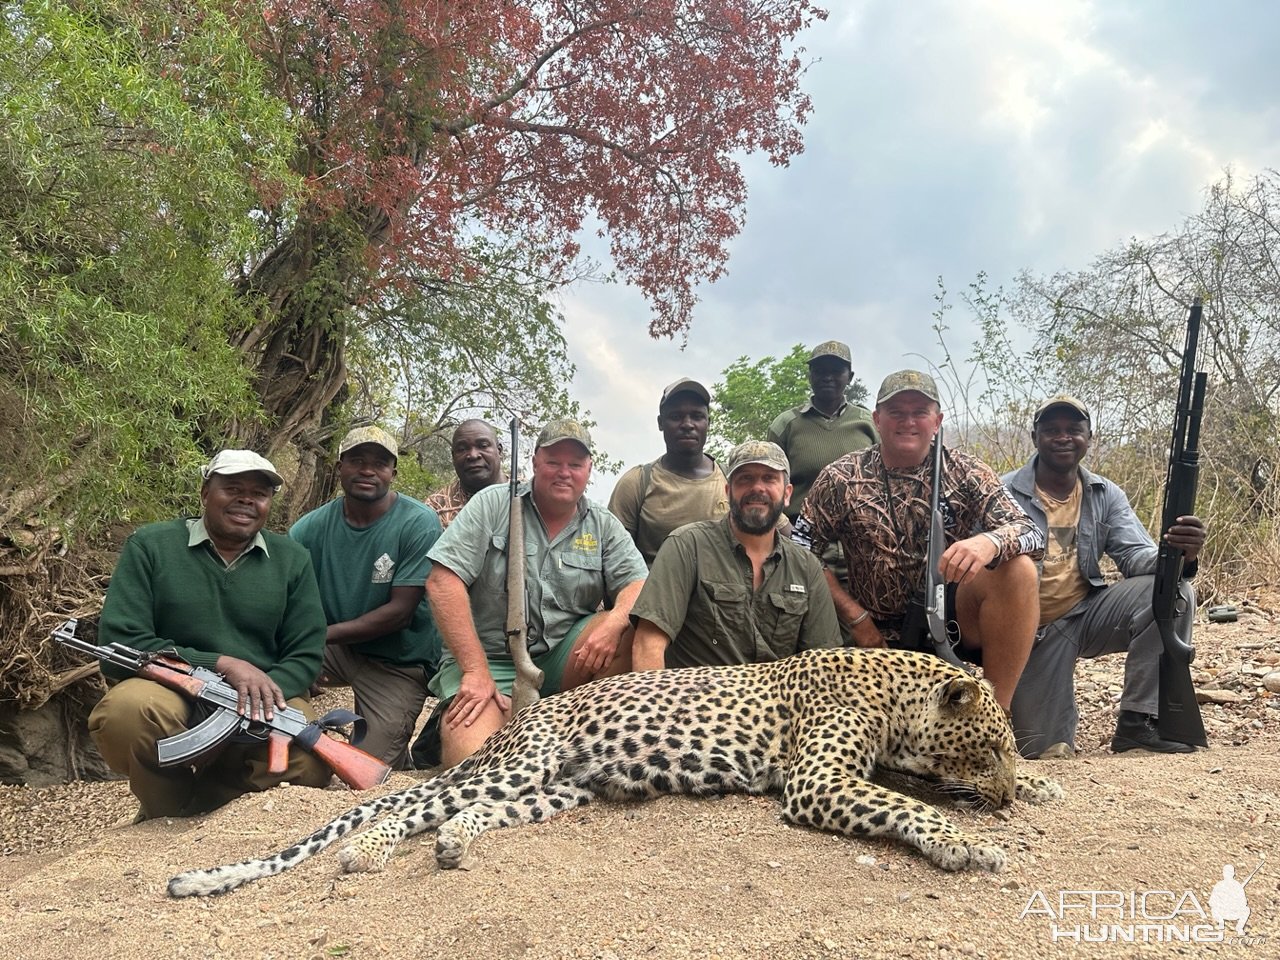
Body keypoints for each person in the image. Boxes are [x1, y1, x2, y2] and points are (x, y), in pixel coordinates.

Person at [88, 450, 332, 821]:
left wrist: (260, 692)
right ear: (205, 492)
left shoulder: (292, 558)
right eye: (232, 487)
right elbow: (120, 643)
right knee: (126, 713)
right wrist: (220, 664)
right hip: (171, 689)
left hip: (262, 696)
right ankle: (164, 808)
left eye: (259, 493)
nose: (247, 500)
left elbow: (305, 653)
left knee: (310, 761)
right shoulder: (151, 546)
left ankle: (212, 803)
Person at [793, 370, 1043, 712]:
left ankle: (996, 716)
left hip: (952, 621)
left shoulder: (966, 471)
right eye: (896, 412)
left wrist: (989, 543)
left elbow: (1032, 532)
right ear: (877, 419)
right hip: (870, 637)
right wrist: (856, 618)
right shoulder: (840, 477)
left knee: (1020, 570)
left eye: (919, 412)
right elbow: (799, 547)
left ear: (937, 421)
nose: (908, 421)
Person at [423, 419, 648, 766]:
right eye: (553, 462)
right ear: (535, 463)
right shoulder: (492, 504)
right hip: (487, 662)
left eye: (574, 464)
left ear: (589, 469)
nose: (564, 472)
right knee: (472, 763)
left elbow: (639, 583)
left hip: (562, 661)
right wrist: (474, 670)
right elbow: (442, 581)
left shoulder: (602, 523)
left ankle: (579, 734)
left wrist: (616, 619)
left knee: (631, 630)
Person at [1003, 395, 1207, 757]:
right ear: (1035, 437)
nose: (1063, 437)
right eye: (1051, 430)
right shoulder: (1002, 491)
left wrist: (1177, 555)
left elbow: (1134, 554)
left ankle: (1139, 723)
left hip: (1085, 616)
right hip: (1025, 634)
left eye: (1073, 430)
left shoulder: (1104, 492)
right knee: (1041, 750)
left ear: (1089, 437)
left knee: (1171, 589)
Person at [289, 425, 443, 769]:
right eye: (357, 460)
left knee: (363, 768)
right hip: (335, 649)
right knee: (272, 668)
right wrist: (300, 654)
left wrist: (316, 638)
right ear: (340, 467)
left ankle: (395, 752)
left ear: (393, 473)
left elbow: (399, 613)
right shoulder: (308, 529)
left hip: (398, 661)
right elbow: (291, 602)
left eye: (379, 463)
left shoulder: (419, 522)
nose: (367, 471)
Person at [631, 440, 840, 670]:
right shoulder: (686, 546)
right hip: (694, 699)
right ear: (728, 491)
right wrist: (662, 704)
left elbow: (823, 663)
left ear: (787, 493)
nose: (757, 488)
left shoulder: (807, 566)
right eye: (745, 478)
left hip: (776, 701)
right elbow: (648, 643)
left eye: (769, 478)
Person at [608, 377, 728, 565]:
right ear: (660, 423)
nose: (687, 424)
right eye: (676, 417)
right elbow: (612, 557)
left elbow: (781, 537)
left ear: (708, 423)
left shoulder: (734, 481)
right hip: (655, 591)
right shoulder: (637, 483)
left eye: (697, 416)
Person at [767, 341, 877, 524]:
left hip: (862, 536)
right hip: (800, 536)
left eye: (835, 371)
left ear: (850, 377)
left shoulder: (869, 423)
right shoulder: (785, 425)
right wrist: (786, 531)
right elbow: (768, 484)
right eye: (820, 371)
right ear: (810, 376)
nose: (827, 377)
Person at [425, 419, 506, 528]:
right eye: (462, 449)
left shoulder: (527, 496)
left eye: (483, 446)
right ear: (453, 457)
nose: (473, 455)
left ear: (499, 451)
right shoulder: (435, 507)